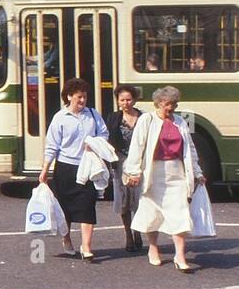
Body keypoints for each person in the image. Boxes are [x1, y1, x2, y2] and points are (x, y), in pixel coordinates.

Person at [124, 86, 207, 272]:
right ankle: (153, 249)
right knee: (152, 213)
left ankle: (180, 255)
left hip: (176, 173)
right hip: (154, 173)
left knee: (180, 213)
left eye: (175, 103)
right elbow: (137, 146)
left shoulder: (180, 122)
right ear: (159, 103)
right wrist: (134, 172)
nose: (172, 107)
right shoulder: (147, 119)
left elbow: (190, 150)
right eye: (169, 103)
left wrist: (198, 173)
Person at [38, 78, 109, 261]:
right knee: (65, 207)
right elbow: (52, 145)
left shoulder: (93, 114)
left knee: (87, 206)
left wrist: (94, 144)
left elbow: (104, 134)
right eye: (79, 97)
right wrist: (45, 169)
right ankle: (67, 239)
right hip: (65, 168)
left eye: (84, 97)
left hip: (87, 167)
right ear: (69, 97)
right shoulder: (60, 118)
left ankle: (86, 246)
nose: (83, 101)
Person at [106, 85, 144, 252]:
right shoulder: (113, 118)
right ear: (117, 101)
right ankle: (128, 234)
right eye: (122, 100)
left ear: (134, 100)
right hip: (120, 162)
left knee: (140, 199)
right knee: (124, 201)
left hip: (140, 163)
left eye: (128, 99)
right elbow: (106, 139)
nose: (125, 103)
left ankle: (138, 231)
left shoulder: (144, 117)